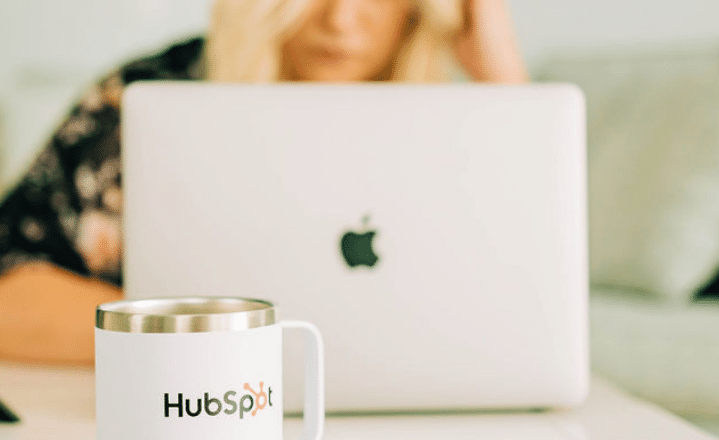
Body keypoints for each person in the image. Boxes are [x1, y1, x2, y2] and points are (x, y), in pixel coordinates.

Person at [0, 0, 527, 366]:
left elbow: (530, 294)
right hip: (197, 414)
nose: (340, 20)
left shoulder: (460, 126)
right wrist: (199, 344)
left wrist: (504, 79)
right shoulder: (153, 96)